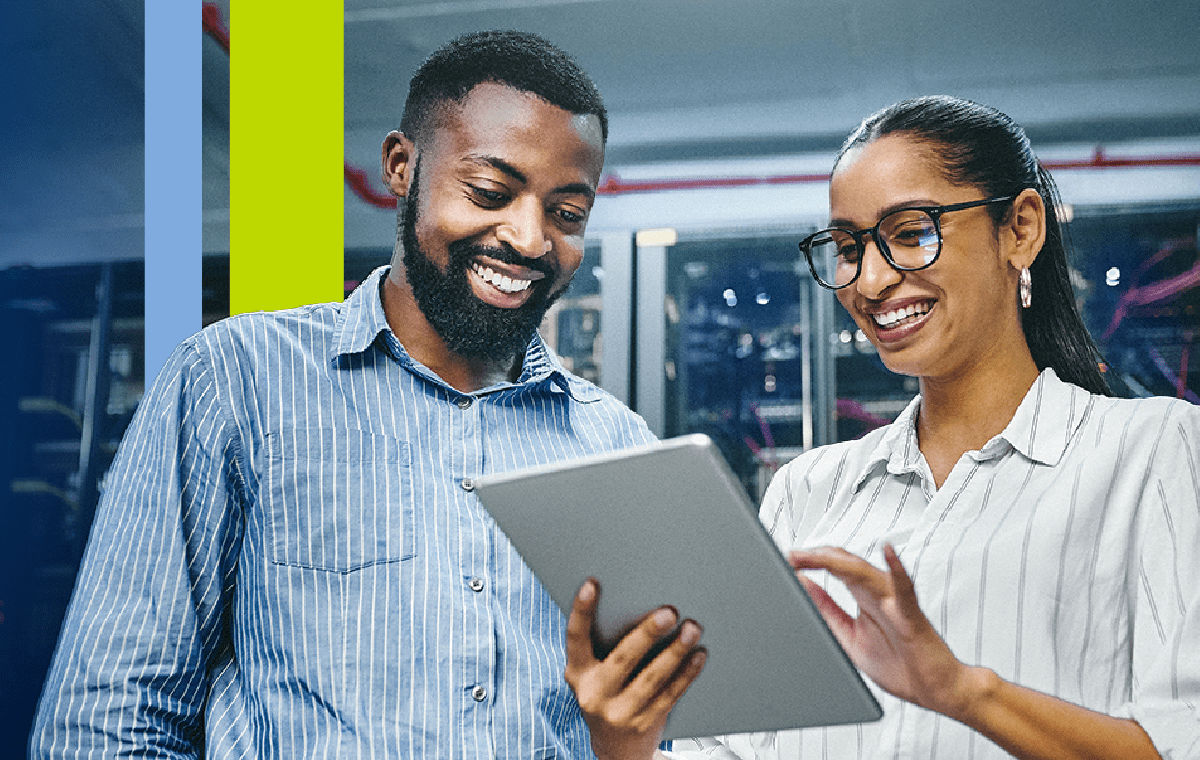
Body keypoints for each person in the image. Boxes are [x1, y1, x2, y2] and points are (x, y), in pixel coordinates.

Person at [30, 30, 702, 759]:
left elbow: (653, 733)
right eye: (490, 193)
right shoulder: (236, 380)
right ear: (401, 167)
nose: (530, 238)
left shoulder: (616, 445)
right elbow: (106, 725)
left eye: (567, 214)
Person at [572, 96, 1200, 759]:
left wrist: (963, 692)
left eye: (911, 232)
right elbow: (734, 750)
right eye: (847, 247)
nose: (869, 281)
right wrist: (627, 742)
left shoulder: (1153, 452)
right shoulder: (807, 490)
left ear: (1020, 228)